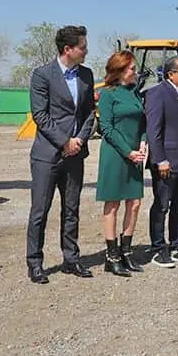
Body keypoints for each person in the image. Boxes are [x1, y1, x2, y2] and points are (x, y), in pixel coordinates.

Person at [25, 24, 96, 283]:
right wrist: (64, 141)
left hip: (75, 154)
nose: (86, 51)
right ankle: (35, 262)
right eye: (83, 47)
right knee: (40, 211)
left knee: (72, 209)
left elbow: (89, 112)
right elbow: (40, 115)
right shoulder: (42, 75)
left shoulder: (86, 75)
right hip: (48, 155)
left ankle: (71, 259)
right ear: (68, 49)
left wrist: (80, 139)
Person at [143, 56, 178, 268]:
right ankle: (158, 248)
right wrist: (160, 159)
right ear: (171, 74)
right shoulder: (157, 94)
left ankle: (177, 245)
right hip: (166, 162)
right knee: (162, 205)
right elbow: (154, 130)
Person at [95, 50, 149, 277]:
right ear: (119, 71)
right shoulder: (108, 94)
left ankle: (126, 251)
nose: (135, 73)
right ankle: (112, 255)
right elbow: (106, 127)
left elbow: (143, 120)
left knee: (135, 203)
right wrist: (128, 152)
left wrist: (144, 143)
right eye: (132, 69)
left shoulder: (134, 93)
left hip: (136, 153)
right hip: (116, 154)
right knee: (113, 204)